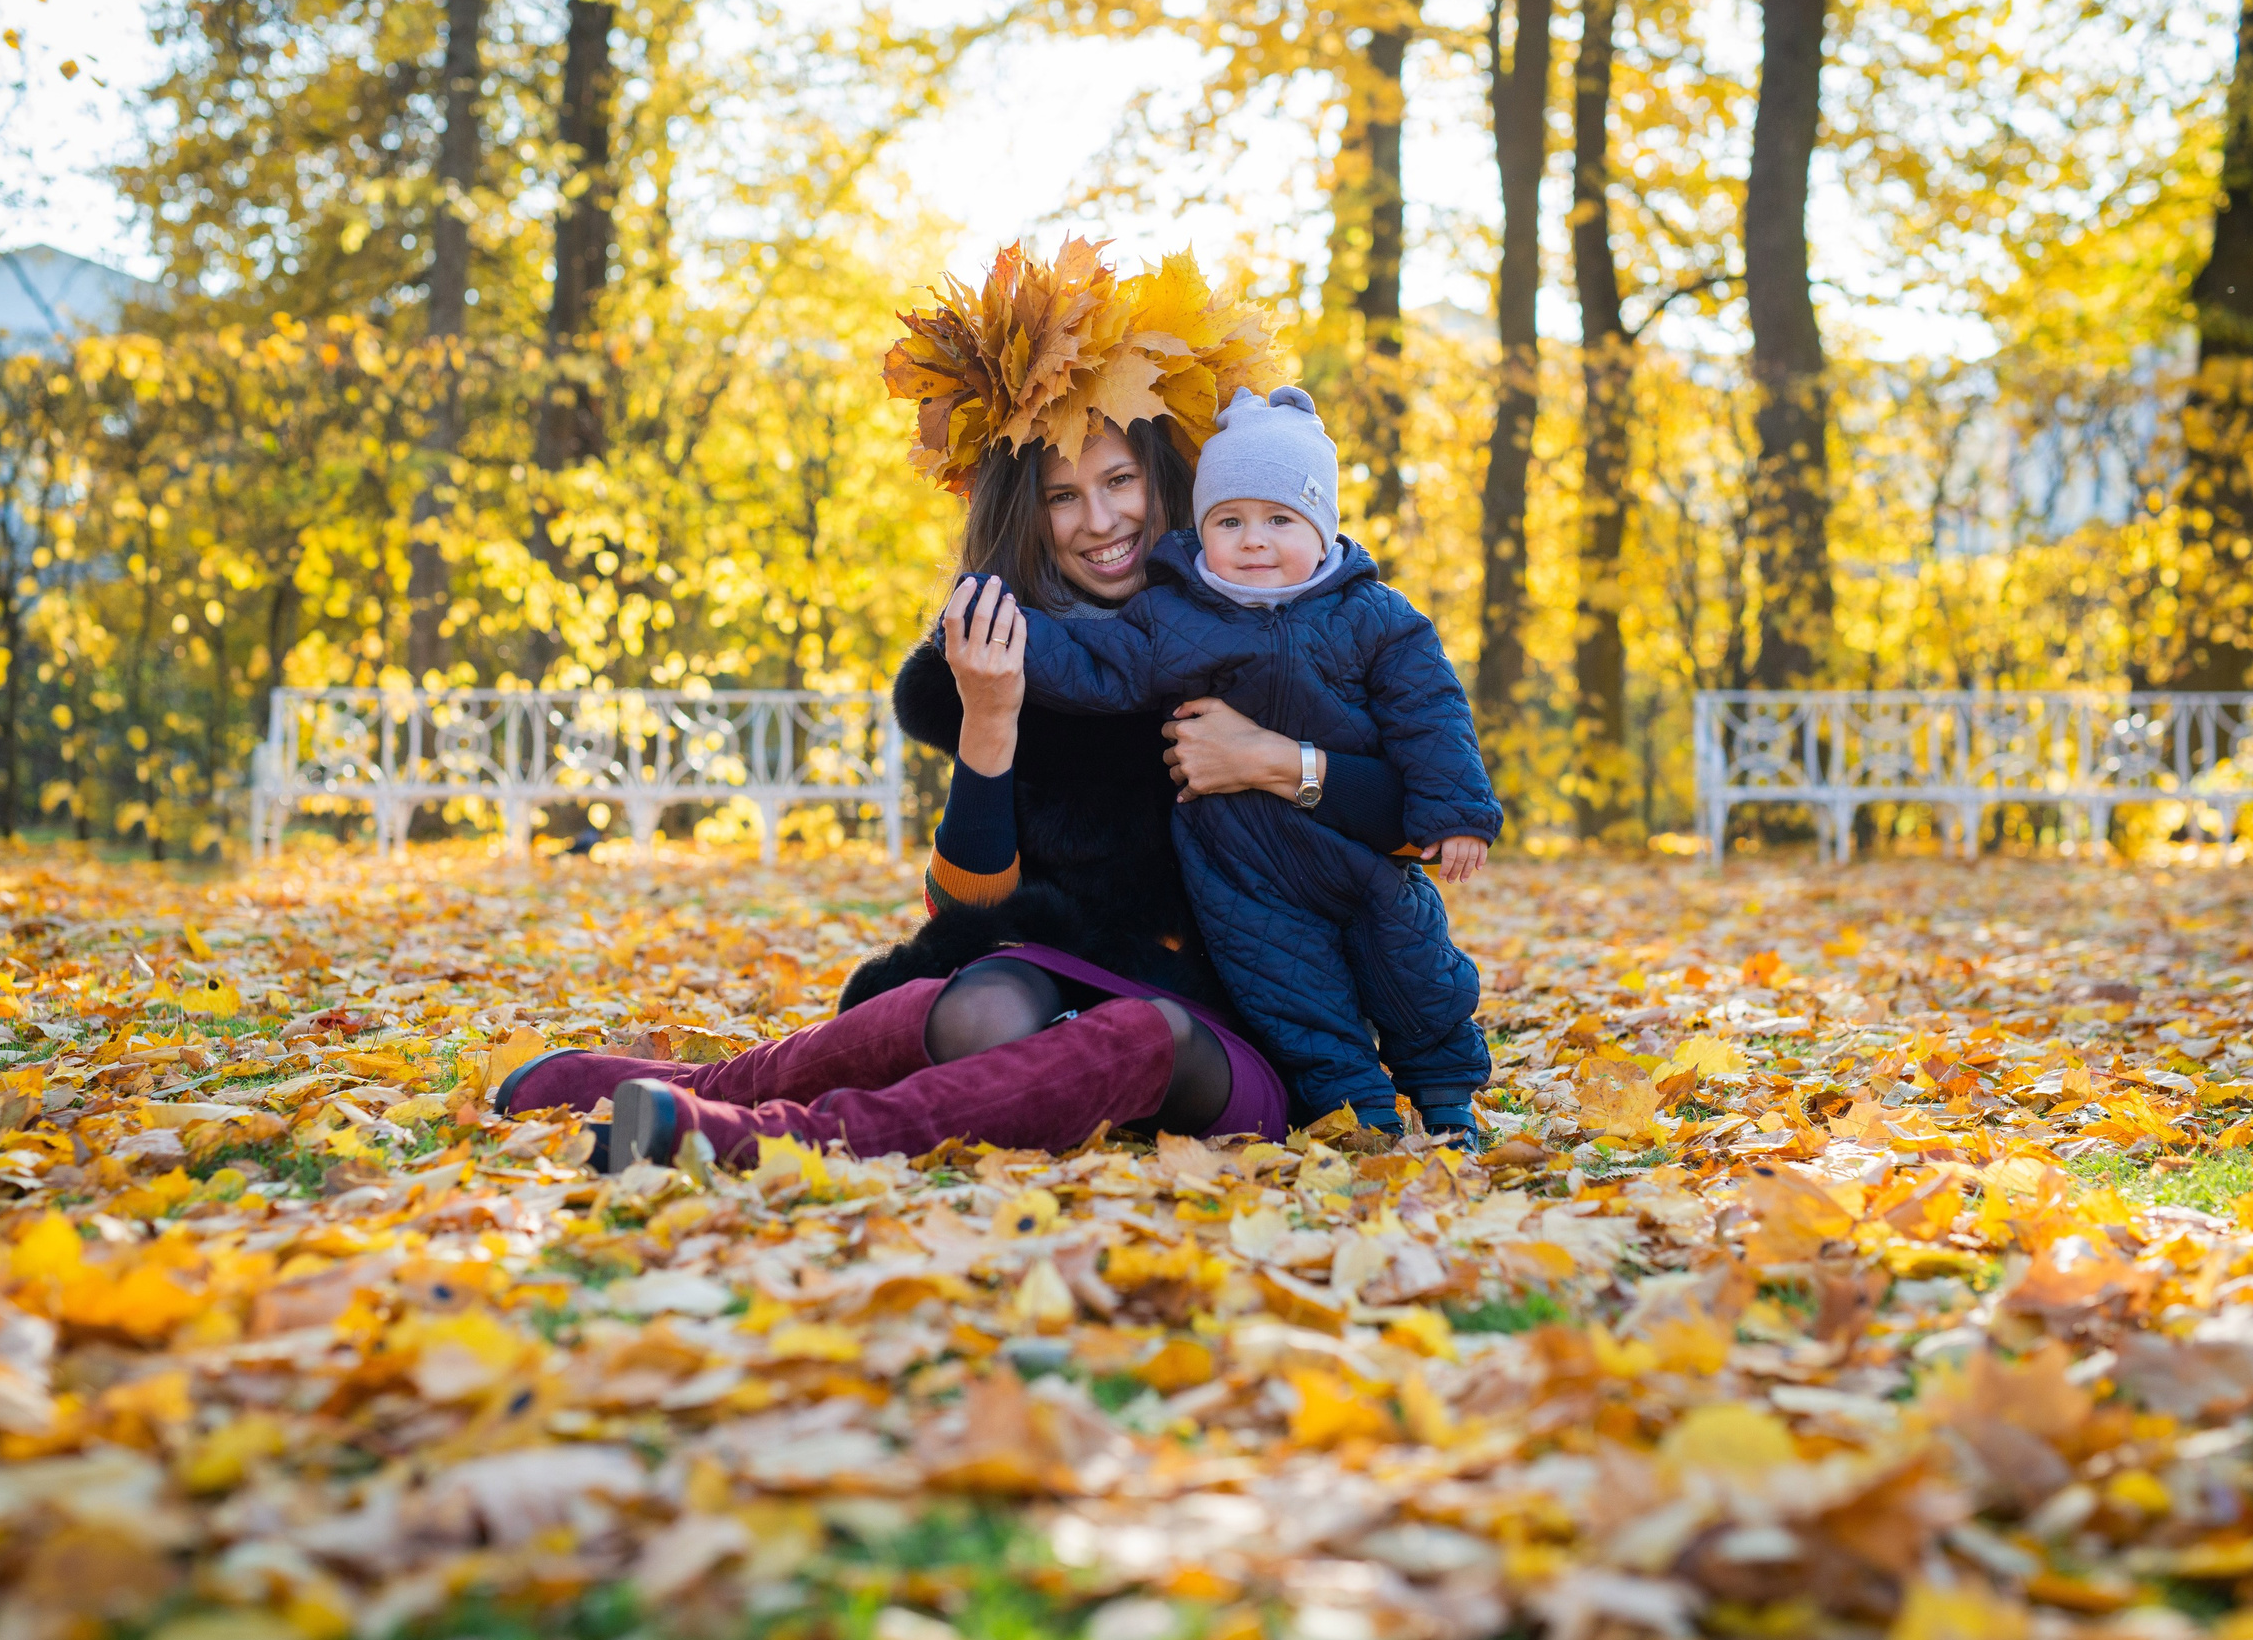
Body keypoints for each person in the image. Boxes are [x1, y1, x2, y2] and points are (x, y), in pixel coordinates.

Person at [498, 240, 1416, 1166]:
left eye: (1119, 482)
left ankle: (778, 1142)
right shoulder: (1021, 652)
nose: (1099, 521)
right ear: (1029, 514)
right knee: (984, 1000)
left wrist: (1273, 760)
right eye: (1063, 496)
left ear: (1165, 481)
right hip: (1070, 966)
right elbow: (962, 911)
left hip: (1259, 1029)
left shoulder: (1287, 615)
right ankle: (692, 1093)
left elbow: (1421, 818)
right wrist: (991, 719)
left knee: (1147, 1030)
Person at [999, 385, 1501, 1140]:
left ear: (1322, 529)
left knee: (1418, 976)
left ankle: (1449, 1102)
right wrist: (1005, 626)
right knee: (1300, 1003)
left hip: (1357, 860)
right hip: (1247, 878)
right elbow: (1096, 662)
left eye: (1279, 520)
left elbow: (1432, 716)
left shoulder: (1375, 617)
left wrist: (1460, 813)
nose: (1255, 539)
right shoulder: (1175, 615)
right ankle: (1361, 1120)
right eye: (1229, 521)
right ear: (1202, 530)